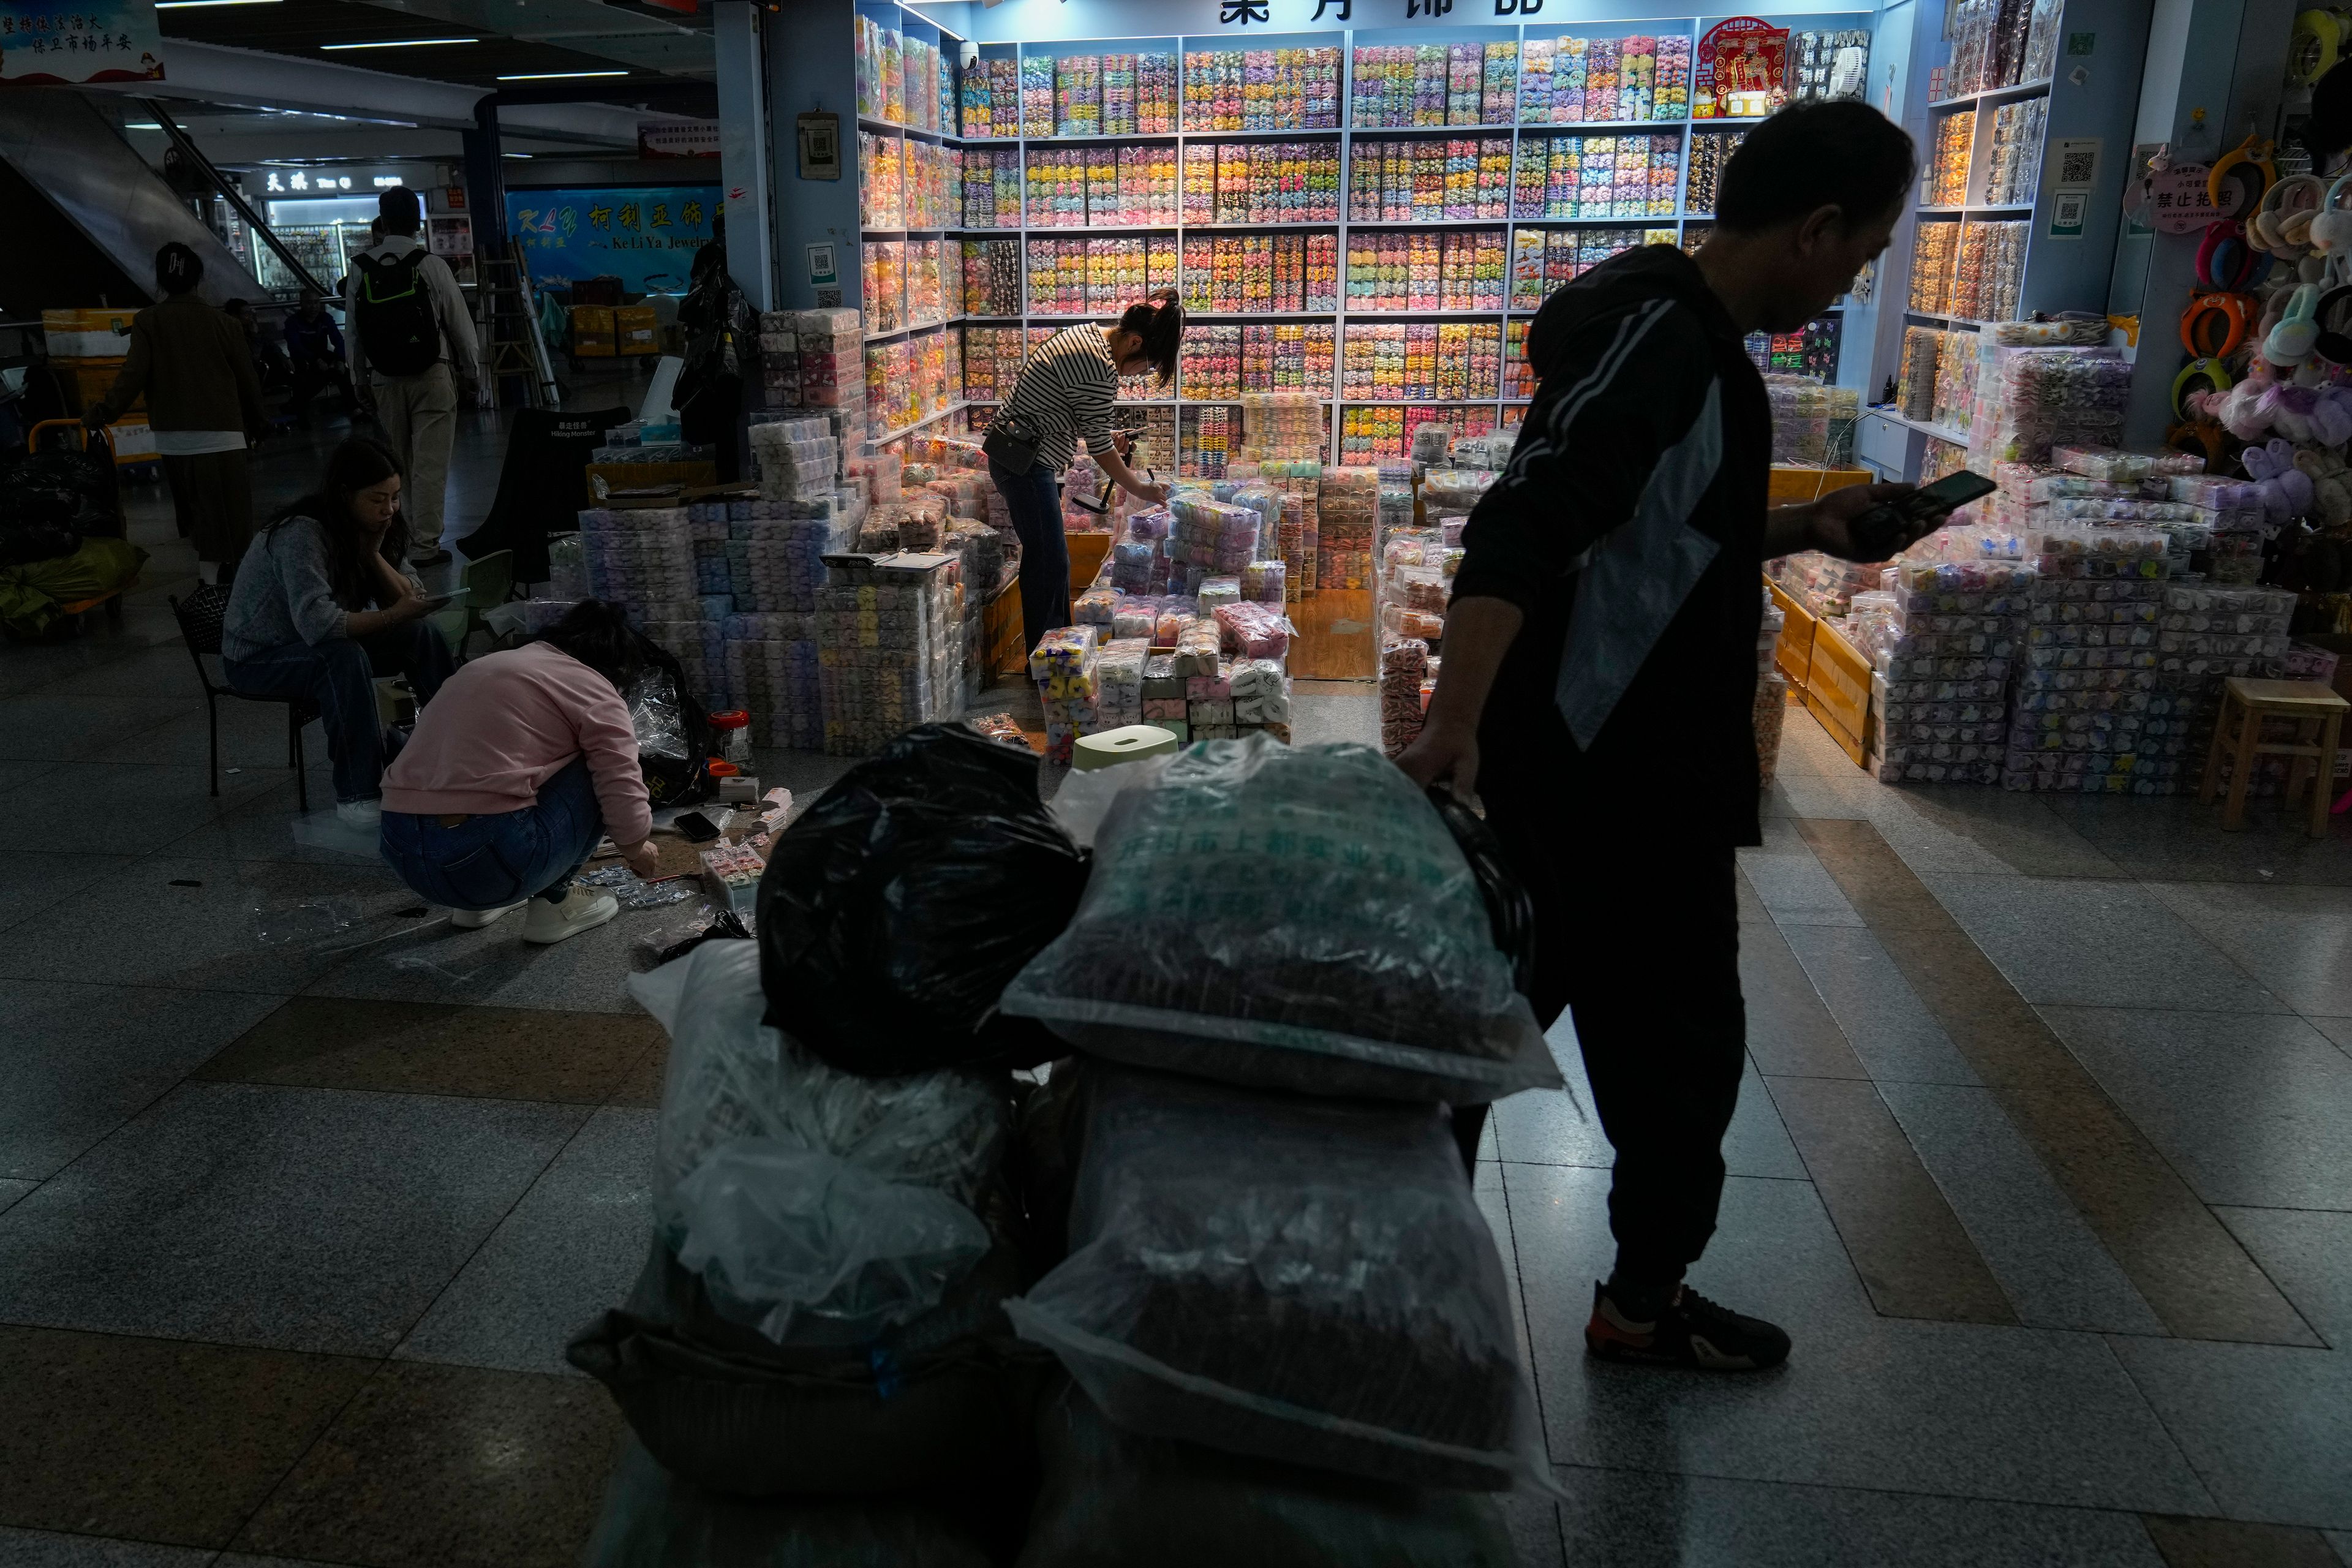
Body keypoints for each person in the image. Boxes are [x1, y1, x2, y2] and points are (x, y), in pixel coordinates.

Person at [1396, 101, 1920, 1374]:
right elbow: (1524, 520)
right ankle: (1410, 1305)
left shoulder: (1686, 338)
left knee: (1612, 1057)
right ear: (1815, 228)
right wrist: (1453, 723)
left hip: (1629, 781)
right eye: (1862, 254)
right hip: (1594, 784)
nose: (1855, 279)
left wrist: (1812, 531)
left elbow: (1656, 539)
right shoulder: (1666, 342)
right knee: (1566, 1058)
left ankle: (1590, 1301)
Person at [379, 600, 660, 945]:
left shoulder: (485, 666)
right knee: (598, 764)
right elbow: (620, 782)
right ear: (617, 668)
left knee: (514, 770)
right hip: (486, 862)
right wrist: (637, 848)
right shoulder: (594, 687)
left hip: (402, 852)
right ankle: (555, 904)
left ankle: (475, 908)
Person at [221, 437, 455, 829]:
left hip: (317, 643)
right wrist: (394, 614)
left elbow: (409, 599)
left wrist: (372, 555)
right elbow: (320, 626)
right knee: (342, 658)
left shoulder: (378, 527)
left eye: (395, 497)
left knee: (421, 635)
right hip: (259, 657)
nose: (389, 509)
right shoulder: (301, 534)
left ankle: (462, 751)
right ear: (345, 496)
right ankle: (358, 795)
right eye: (377, 499)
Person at [986, 290, 1181, 649]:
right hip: (1025, 463)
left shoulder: (1088, 335)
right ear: (1135, 342)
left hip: (1020, 452)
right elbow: (1100, 449)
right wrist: (1141, 489)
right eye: (1147, 365)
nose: (1141, 373)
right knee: (1048, 562)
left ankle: (1057, 648)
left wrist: (1104, 435)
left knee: (1052, 559)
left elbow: (1064, 411)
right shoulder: (1101, 367)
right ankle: (1049, 660)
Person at [84, 243, 265, 586]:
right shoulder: (224, 323)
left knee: (200, 515)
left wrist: (103, 412)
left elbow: (133, 375)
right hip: (223, 434)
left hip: (175, 439)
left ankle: (211, 583)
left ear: (162, 281)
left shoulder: (149, 321)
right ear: (198, 278)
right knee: (233, 518)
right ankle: (236, 590)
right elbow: (247, 380)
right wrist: (259, 424)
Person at [345, 186, 479, 567]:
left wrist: (359, 379)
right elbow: (460, 325)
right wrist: (473, 373)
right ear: (418, 222)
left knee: (398, 465)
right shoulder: (431, 264)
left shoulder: (361, 268)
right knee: (431, 464)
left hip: (383, 378)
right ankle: (424, 546)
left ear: (383, 222)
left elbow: (352, 333)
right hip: (431, 374)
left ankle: (397, 543)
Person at [283, 290, 355, 426]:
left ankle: (355, 409)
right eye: (309, 303)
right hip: (302, 359)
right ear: (302, 304)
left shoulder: (325, 318)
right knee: (310, 376)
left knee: (342, 372)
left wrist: (340, 359)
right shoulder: (293, 322)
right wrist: (315, 359)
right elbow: (296, 346)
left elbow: (338, 340)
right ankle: (298, 411)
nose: (314, 306)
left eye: (316, 302)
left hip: (322, 356)